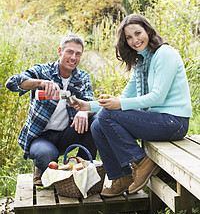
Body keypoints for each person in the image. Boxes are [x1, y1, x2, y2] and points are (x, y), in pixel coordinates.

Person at [70, 14, 192, 197]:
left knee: (106, 116)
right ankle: (122, 177)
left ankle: (141, 162)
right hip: (158, 121)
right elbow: (126, 96)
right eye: (129, 37)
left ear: (148, 31)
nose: (135, 40)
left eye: (138, 33)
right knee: (97, 124)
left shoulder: (164, 54)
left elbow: (157, 97)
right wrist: (88, 106)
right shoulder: (142, 62)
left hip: (174, 122)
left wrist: (118, 104)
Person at [5, 34, 97, 186]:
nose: (73, 57)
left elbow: (89, 102)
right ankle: (41, 168)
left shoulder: (82, 77)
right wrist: (40, 83)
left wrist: (83, 111)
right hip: (41, 137)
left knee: (95, 122)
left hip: (67, 133)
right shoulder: (43, 71)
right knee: (47, 156)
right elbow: (12, 83)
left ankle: (81, 170)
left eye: (78, 54)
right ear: (60, 51)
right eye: (69, 52)